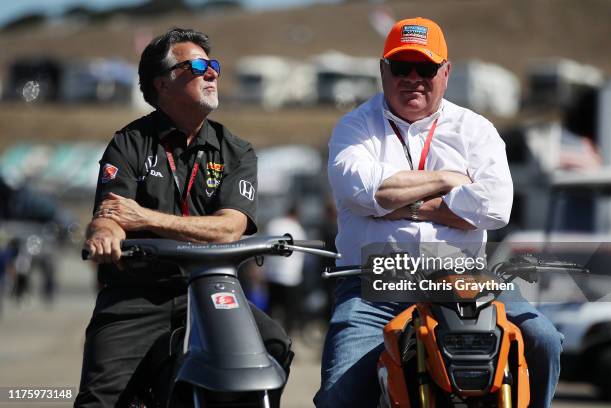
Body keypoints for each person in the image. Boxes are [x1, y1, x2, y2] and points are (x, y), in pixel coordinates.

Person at [315, 17, 563, 408]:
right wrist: (450, 179)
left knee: (545, 340)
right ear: (383, 70)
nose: (413, 77)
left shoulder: (476, 129)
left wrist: (401, 203)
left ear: (445, 72)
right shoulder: (354, 127)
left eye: (426, 67)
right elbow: (366, 191)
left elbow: (496, 207)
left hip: (467, 278)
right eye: (401, 66)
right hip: (376, 278)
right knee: (338, 395)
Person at [75, 28, 292, 407]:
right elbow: (110, 215)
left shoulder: (237, 150)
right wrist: (105, 234)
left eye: (214, 65)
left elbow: (229, 228)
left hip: (214, 289)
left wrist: (144, 217)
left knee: (274, 347)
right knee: (100, 397)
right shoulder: (128, 143)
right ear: (163, 83)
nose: (212, 73)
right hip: (139, 294)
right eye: (198, 66)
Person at [264, 203, 307, 333]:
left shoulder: (274, 224)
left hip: (272, 275)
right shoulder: (298, 229)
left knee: (272, 310)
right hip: (291, 277)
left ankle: (269, 336)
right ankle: (288, 338)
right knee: (290, 312)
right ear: (296, 215)